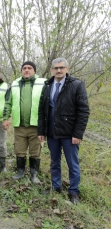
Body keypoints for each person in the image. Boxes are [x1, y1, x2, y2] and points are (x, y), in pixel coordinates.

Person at [38, 58, 89, 204]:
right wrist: (41, 131)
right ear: (51, 70)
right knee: (54, 161)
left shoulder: (76, 85)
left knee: (72, 163)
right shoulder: (47, 85)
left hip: (69, 133)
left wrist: (78, 133)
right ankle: (56, 186)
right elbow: (42, 111)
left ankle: (73, 192)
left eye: (61, 67)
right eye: (56, 68)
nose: (59, 70)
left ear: (67, 68)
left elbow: (83, 111)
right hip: (52, 132)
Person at [3, 61, 45, 183]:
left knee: (35, 151)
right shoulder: (15, 84)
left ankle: (34, 174)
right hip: (19, 125)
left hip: (36, 125)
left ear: (34, 71)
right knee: (19, 150)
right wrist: (5, 118)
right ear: (21, 70)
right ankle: (20, 172)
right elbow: (8, 103)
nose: (27, 70)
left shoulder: (43, 83)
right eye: (24, 68)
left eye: (29, 68)